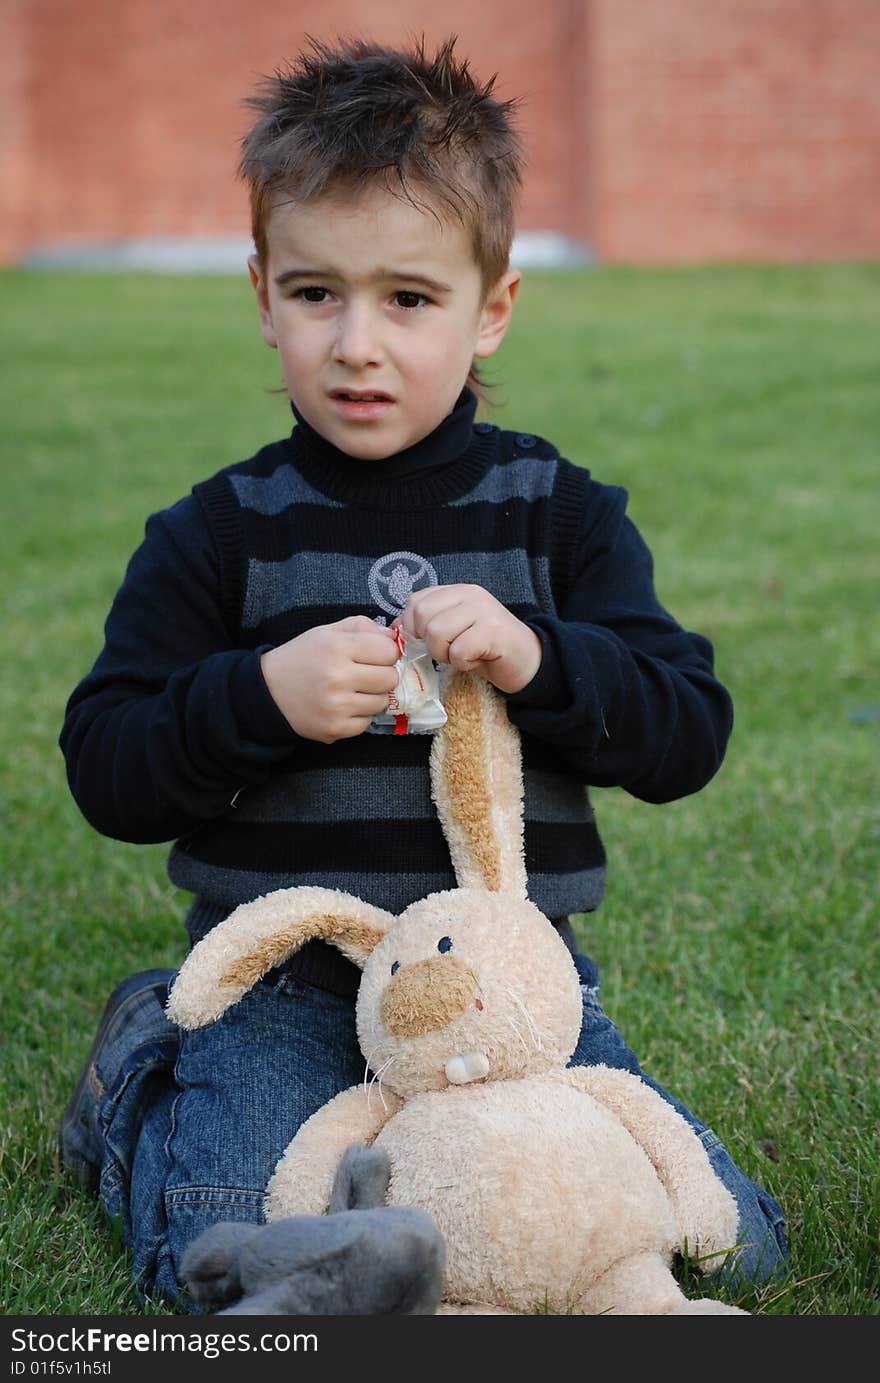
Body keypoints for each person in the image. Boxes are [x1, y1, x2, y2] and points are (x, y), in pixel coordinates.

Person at [58, 34, 787, 1311]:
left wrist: (543, 659)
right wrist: (259, 698)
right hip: (286, 987)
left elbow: (687, 732)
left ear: (490, 302)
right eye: (314, 293)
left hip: (512, 991)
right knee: (221, 1241)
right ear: (260, 292)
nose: (356, 344)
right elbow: (109, 762)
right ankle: (146, 1082)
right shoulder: (220, 532)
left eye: (408, 297)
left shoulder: (556, 516)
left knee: (714, 1235)